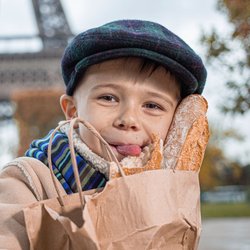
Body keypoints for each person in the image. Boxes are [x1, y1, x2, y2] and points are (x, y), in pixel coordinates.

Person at [0, 19, 207, 249]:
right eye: (108, 98)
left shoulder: (172, 189)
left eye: (152, 105)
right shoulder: (26, 183)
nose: (129, 120)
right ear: (72, 110)